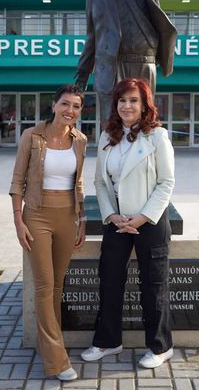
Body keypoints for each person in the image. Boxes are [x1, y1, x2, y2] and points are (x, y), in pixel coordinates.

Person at [81, 78, 176, 369]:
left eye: (134, 100)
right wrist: (111, 215)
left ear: (145, 104)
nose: (127, 105)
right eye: (122, 100)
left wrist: (142, 217)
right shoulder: (107, 136)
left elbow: (166, 182)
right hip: (117, 222)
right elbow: (100, 182)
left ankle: (160, 347)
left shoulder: (157, 136)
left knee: (153, 285)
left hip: (150, 221)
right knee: (110, 281)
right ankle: (108, 341)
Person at [9, 84, 88, 381]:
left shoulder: (80, 140)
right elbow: (17, 180)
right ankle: (57, 360)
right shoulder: (31, 136)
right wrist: (18, 220)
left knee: (57, 286)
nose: (70, 111)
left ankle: (49, 345)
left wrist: (82, 219)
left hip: (67, 216)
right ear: (54, 105)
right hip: (37, 215)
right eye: (65, 104)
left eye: (76, 106)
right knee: (44, 285)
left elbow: (78, 183)